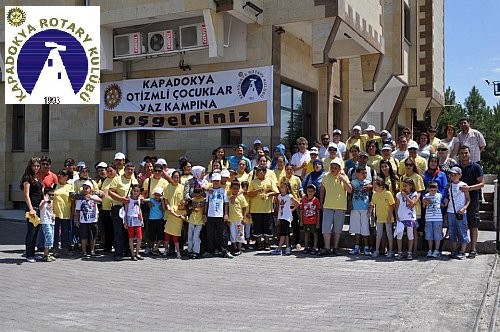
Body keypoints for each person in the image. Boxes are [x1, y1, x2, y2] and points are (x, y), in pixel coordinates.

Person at [320, 159, 352, 256]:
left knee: (337, 229)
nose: (333, 169)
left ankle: (335, 247)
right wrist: (321, 203)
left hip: (340, 206)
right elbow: (322, 190)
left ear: (339, 168)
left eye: (335, 168)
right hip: (328, 206)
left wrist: (343, 179)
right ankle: (327, 248)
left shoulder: (344, 176)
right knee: (326, 228)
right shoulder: (326, 176)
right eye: (332, 167)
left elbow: (350, 190)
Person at [108, 162, 139, 261]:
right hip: (118, 208)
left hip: (130, 209)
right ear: (124, 169)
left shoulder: (134, 180)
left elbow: (137, 193)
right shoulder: (117, 179)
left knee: (128, 231)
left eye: (132, 170)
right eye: (128, 169)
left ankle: (128, 251)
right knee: (118, 231)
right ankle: (118, 253)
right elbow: (110, 192)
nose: (130, 171)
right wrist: (122, 199)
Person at [457, 145, 484, 258]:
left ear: (469, 154)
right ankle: (461, 247)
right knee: (460, 224)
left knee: (473, 224)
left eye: (466, 153)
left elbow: (482, 184)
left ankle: (473, 249)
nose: (464, 155)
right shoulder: (456, 168)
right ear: (459, 154)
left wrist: (469, 188)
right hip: (459, 200)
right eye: (462, 153)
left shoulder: (476, 167)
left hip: (473, 199)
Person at [246, 165, 279, 250]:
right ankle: (259, 243)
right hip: (255, 209)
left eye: (259, 171)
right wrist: (256, 191)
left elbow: (276, 192)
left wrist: (268, 194)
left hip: (267, 209)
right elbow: (249, 194)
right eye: (256, 171)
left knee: (268, 226)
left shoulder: (269, 181)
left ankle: (267, 243)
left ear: (264, 172)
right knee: (257, 227)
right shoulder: (253, 182)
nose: (257, 173)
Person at [203, 173, 233, 258]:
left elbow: (226, 203)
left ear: (220, 181)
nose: (216, 182)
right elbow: (206, 203)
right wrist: (205, 214)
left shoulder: (223, 191)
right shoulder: (209, 191)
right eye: (214, 180)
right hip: (210, 215)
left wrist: (226, 214)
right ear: (212, 181)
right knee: (210, 234)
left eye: (217, 181)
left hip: (220, 215)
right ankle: (210, 250)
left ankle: (224, 251)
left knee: (222, 234)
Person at [399, 156, 424, 255]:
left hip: (414, 207)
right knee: (403, 230)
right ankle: (405, 250)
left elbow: (419, 192)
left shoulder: (417, 177)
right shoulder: (402, 177)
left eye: (410, 165)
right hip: (403, 207)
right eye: (407, 165)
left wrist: (413, 202)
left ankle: (414, 251)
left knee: (413, 229)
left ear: (414, 166)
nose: (408, 167)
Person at [22, 157, 43, 263]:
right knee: (31, 232)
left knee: (36, 233)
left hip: (39, 208)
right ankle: (29, 255)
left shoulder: (37, 177)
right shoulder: (27, 178)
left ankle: (33, 254)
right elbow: (26, 195)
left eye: (38, 166)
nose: (36, 168)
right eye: (34, 165)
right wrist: (31, 209)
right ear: (30, 166)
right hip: (32, 209)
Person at [447, 167, 471, 260]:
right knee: (452, 231)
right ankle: (453, 251)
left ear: (460, 175)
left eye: (455, 174)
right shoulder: (449, 185)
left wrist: (464, 208)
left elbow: (468, 199)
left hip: (461, 212)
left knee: (462, 230)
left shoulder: (463, 185)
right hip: (450, 211)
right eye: (451, 174)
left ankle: (462, 251)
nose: (453, 176)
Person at [369, 177, 395, 258]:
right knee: (378, 234)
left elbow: (392, 205)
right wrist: (369, 213)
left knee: (389, 234)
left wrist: (389, 217)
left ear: (381, 186)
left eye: (375, 186)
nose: (374, 188)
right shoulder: (375, 194)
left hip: (388, 218)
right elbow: (372, 204)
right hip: (379, 218)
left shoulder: (388, 193)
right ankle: (376, 250)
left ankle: (391, 251)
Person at [348, 167, 372, 256]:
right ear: (357, 174)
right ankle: (356, 247)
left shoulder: (368, 182)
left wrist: (371, 187)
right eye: (363, 173)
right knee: (357, 228)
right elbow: (350, 194)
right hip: (355, 207)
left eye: (366, 173)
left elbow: (372, 193)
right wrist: (350, 203)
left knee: (365, 228)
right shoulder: (353, 183)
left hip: (365, 208)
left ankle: (366, 247)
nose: (365, 175)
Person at [75, 180, 102, 258]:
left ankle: (92, 250)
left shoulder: (94, 197)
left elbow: (100, 201)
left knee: (93, 236)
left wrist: (92, 198)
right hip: (83, 220)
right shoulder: (81, 199)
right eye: (83, 188)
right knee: (84, 236)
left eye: (87, 188)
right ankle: (84, 251)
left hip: (93, 220)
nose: (85, 190)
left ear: (91, 189)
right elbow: (77, 210)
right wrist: (77, 220)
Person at [163, 171, 187, 259]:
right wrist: (168, 206)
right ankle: (168, 250)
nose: (176, 179)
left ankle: (179, 250)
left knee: (177, 235)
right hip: (169, 214)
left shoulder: (182, 187)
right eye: (174, 177)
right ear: (171, 177)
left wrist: (183, 206)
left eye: (178, 177)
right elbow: (165, 199)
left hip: (179, 214)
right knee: (168, 235)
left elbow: (184, 201)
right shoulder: (167, 187)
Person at [272, 181, 300, 256]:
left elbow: (297, 203)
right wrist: (278, 216)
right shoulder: (279, 196)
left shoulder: (289, 196)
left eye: (282, 187)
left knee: (283, 232)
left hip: (287, 216)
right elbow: (279, 207)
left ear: (287, 188)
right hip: (281, 215)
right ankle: (288, 247)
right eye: (280, 187)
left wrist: (292, 209)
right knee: (286, 232)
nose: (281, 188)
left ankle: (279, 247)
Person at [281, 163, 305, 250]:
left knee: (295, 224)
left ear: (293, 170)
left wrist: (302, 195)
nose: (289, 171)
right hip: (285, 205)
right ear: (285, 170)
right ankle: (287, 243)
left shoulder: (297, 179)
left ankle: (297, 242)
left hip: (295, 205)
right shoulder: (282, 179)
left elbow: (300, 189)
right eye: (287, 169)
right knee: (285, 225)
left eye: (291, 169)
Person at [395, 178, 418, 260]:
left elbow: (413, 203)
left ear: (411, 186)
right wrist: (396, 216)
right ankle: (400, 252)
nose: (404, 188)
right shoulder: (398, 195)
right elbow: (397, 206)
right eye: (403, 186)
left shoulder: (414, 194)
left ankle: (409, 252)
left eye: (406, 186)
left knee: (410, 235)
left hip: (410, 217)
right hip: (401, 217)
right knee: (399, 235)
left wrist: (406, 197)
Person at [53, 169, 74, 255]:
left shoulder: (70, 186)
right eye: (58, 174)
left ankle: (65, 249)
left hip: (66, 212)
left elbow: (73, 201)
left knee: (66, 232)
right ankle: (55, 249)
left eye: (61, 175)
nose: (59, 176)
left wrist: (73, 213)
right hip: (55, 213)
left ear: (66, 177)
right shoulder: (54, 186)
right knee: (55, 232)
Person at [422, 182, 445, 258]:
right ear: (428, 189)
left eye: (434, 190)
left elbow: (444, 202)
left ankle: (437, 250)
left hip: (438, 218)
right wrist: (425, 201)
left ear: (437, 189)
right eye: (431, 190)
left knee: (437, 235)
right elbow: (424, 206)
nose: (433, 192)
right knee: (429, 235)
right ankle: (430, 250)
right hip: (428, 218)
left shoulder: (439, 195)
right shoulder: (425, 196)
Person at [98, 164, 118, 253]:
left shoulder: (118, 179)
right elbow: (97, 189)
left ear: (115, 170)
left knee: (116, 228)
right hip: (105, 208)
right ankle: (108, 246)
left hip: (115, 208)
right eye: (108, 171)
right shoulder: (103, 180)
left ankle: (116, 245)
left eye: (111, 171)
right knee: (107, 228)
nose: (109, 173)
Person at [123, 184, 144, 261]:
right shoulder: (128, 199)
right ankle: (132, 253)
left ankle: (137, 253)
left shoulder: (139, 199)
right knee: (131, 238)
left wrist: (142, 219)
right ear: (132, 191)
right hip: (130, 218)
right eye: (134, 190)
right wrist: (125, 221)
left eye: (137, 191)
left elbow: (139, 209)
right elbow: (125, 210)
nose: (135, 192)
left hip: (137, 219)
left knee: (139, 237)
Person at [227, 181, 248, 256]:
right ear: (231, 188)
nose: (235, 190)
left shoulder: (241, 197)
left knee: (240, 234)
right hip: (231, 219)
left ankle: (239, 248)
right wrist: (227, 219)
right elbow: (227, 207)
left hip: (239, 219)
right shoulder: (228, 196)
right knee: (233, 234)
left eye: (237, 188)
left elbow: (244, 208)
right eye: (234, 188)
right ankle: (234, 248)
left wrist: (244, 218)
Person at [300, 184, 321, 254]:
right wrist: (301, 221)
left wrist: (318, 222)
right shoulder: (303, 200)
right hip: (306, 221)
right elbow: (302, 211)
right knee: (306, 234)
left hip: (314, 221)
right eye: (309, 191)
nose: (310, 192)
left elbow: (318, 212)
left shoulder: (316, 200)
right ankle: (306, 247)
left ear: (315, 192)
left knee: (315, 234)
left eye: (312, 191)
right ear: (306, 191)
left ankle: (315, 247)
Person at [144, 187, 165, 256]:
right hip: (152, 220)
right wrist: (145, 200)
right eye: (156, 195)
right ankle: (151, 248)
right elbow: (144, 200)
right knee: (152, 236)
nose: (157, 197)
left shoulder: (163, 202)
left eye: (159, 195)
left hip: (160, 220)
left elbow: (164, 209)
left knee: (160, 236)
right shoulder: (151, 200)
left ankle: (155, 248)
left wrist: (162, 201)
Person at [187, 188, 205, 259]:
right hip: (191, 220)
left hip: (199, 221)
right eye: (196, 194)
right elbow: (190, 207)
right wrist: (193, 207)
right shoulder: (192, 199)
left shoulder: (204, 200)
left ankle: (196, 251)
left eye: (199, 194)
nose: (197, 196)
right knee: (190, 236)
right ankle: (189, 250)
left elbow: (202, 206)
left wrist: (196, 206)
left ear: (201, 193)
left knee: (196, 237)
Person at [40, 187, 56, 262]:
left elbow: (52, 211)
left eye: (53, 195)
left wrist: (54, 215)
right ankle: (45, 255)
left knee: (51, 238)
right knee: (48, 236)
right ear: (46, 194)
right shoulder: (43, 201)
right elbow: (40, 208)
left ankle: (48, 254)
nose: (51, 196)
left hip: (51, 222)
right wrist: (44, 201)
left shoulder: (52, 202)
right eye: (50, 194)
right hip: (45, 222)